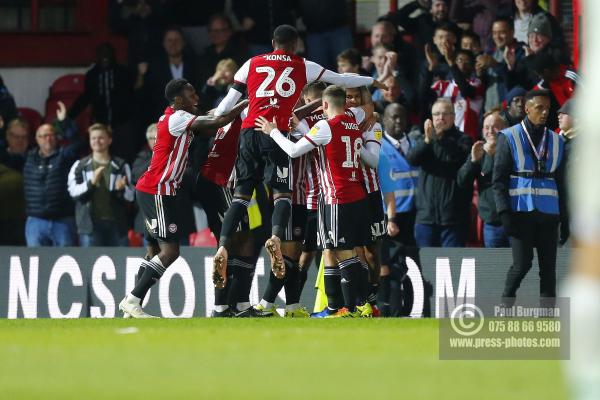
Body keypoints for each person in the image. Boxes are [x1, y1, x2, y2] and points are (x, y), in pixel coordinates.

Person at [211, 24, 386, 288]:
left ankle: (222, 247)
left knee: (242, 195)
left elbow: (225, 106)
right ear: (295, 45)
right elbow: (341, 80)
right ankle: (276, 238)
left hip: (249, 132)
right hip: (276, 133)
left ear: (273, 42)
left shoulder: (250, 63)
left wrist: (211, 118)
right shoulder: (304, 65)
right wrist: (371, 81)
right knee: (282, 194)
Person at [118, 78, 248, 318]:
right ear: (178, 100)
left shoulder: (176, 117)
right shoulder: (177, 118)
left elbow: (211, 126)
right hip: (157, 190)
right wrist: (247, 102)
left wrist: (229, 109)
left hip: (156, 190)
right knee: (170, 252)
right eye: (191, 95)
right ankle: (133, 300)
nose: (196, 98)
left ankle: (131, 304)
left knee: (153, 251)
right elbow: (219, 121)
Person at [255, 85, 373, 318]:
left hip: (336, 197)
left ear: (325, 105)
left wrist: (273, 132)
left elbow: (294, 150)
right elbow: (366, 110)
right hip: (357, 195)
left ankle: (356, 307)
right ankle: (361, 305)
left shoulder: (326, 126)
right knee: (347, 251)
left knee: (343, 252)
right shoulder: (353, 121)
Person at [493, 89, 568, 306]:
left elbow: (562, 183)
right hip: (519, 211)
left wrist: (565, 218)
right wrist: (504, 212)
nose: (545, 113)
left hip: (549, 212)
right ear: (527, 109)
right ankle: (506, 304)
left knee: (548, 269)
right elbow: (498, 180)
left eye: (548, 109)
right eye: (539, 108)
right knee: (522, 264)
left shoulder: (557, 141)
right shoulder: (508, 136)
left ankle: (547, 319)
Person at [407, 98, 472, 247]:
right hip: (426, 218)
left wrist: (439, 139)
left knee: (451, 267)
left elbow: (458, 157)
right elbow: (412, 159)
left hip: (453, 220)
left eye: (445, 114)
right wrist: (428, 140)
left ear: (453, 117)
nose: (440, 118)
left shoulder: (464, 140)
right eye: (436, 114)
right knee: (426, 267)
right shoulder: (424, 139)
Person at [377, 103, 419, 316]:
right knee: (389, 265)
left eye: (402, 116)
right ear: (384, 120)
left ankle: (412, 310)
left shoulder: (415, 143)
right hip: (389, 215)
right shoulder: (378, 146)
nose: (398, 121)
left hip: (414, 215)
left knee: (411, 266)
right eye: (393, 117)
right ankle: (389, 311)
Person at [68, 124, 134, 247]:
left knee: (119, 264)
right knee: (89, 264)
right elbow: (73, 192)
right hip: (89, 226)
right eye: (93, 138)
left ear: (109, 140)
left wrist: (122, 189)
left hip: (117, 225)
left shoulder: (121, 165)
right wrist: (91, 183)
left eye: (101, 138)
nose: (97, 141)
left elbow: (131, 196)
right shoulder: (80, 165)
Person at [23, 122, 83, 247]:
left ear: (56, 137)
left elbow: (79, 143)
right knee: (36, 264)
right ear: (36, 139)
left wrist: (64, 122)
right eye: (44, 136)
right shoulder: (28, 158)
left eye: (51, 135)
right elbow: (4, 155)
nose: (48, 138)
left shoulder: (65, 156)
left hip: (63, 220)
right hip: (36, 221)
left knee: (65, 264)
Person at [458, 110, 509, 247]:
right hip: (492, 223)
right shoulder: (478, 151)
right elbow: (462, 181)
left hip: (515, 221)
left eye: (495, 126)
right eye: (486, 127)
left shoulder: (514, 151)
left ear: (505, 129)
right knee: (494, 267)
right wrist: (473, 161)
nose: (491, 131)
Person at [144, 26, 201, 120]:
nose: (173, 44)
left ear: (183, 42)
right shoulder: (154, 67)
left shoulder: (195, 63)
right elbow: (151, 97)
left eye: (177, 40)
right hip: (163, 117)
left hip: (191, 117)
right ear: (164, 43)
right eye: (169, 40)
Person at [429, 48, 485, 140]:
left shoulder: (477, 84)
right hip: (444, 137)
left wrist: (452, 65)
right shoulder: (442, 85)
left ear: (473, 66)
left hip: (468, 139)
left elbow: (465, 91)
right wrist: (429, 70)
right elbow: (424, 96)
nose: (463, 64)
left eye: (467, 61)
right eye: (459, 60)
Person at [476, 16, 526, 112]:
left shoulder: (521, 52)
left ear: (512, 32)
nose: (497, 37)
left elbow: (518, 83)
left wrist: (495, 65)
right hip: (489, 109)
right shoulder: (490, 53)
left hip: (509, 111)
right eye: (494, 33)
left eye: (502, 32)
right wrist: (480, 74)